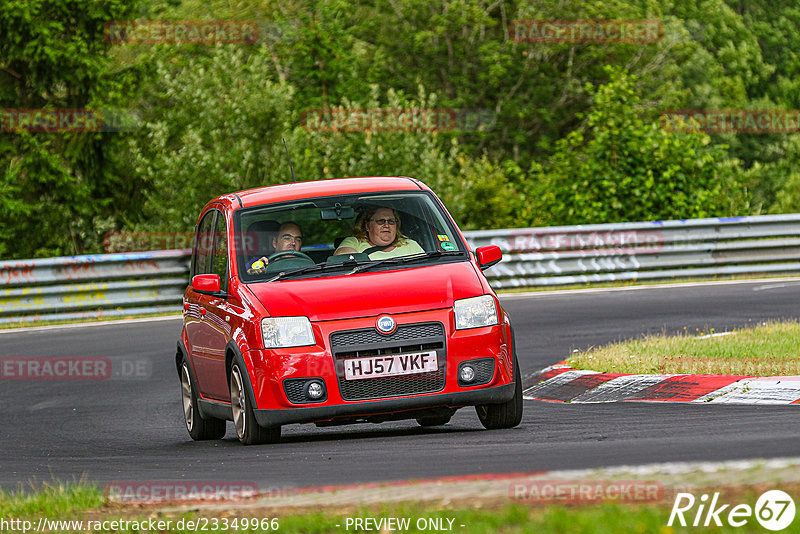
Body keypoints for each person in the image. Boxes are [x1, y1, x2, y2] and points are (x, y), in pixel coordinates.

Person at [334, 206, 423, 259]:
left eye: (391, 221)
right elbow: (342, 258)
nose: (386, 225)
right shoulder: (355, 242)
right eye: (381, 221)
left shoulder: (410, 245)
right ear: (368, 226)